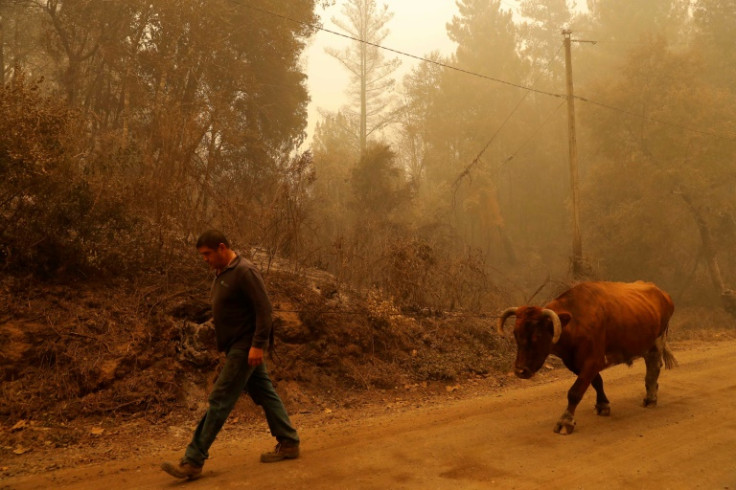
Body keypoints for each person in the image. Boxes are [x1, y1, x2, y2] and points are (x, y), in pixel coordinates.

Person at [161, 230, 300, 480]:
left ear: (222, 248)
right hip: (236, 345)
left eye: (207, 254)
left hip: (245, 347)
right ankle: (289, 441)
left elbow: (264, 310)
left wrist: (257, 345)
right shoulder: (222, 273)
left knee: (219, 398)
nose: (205, 259)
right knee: (264, 392)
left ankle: (193, 460)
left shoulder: (245, 272)